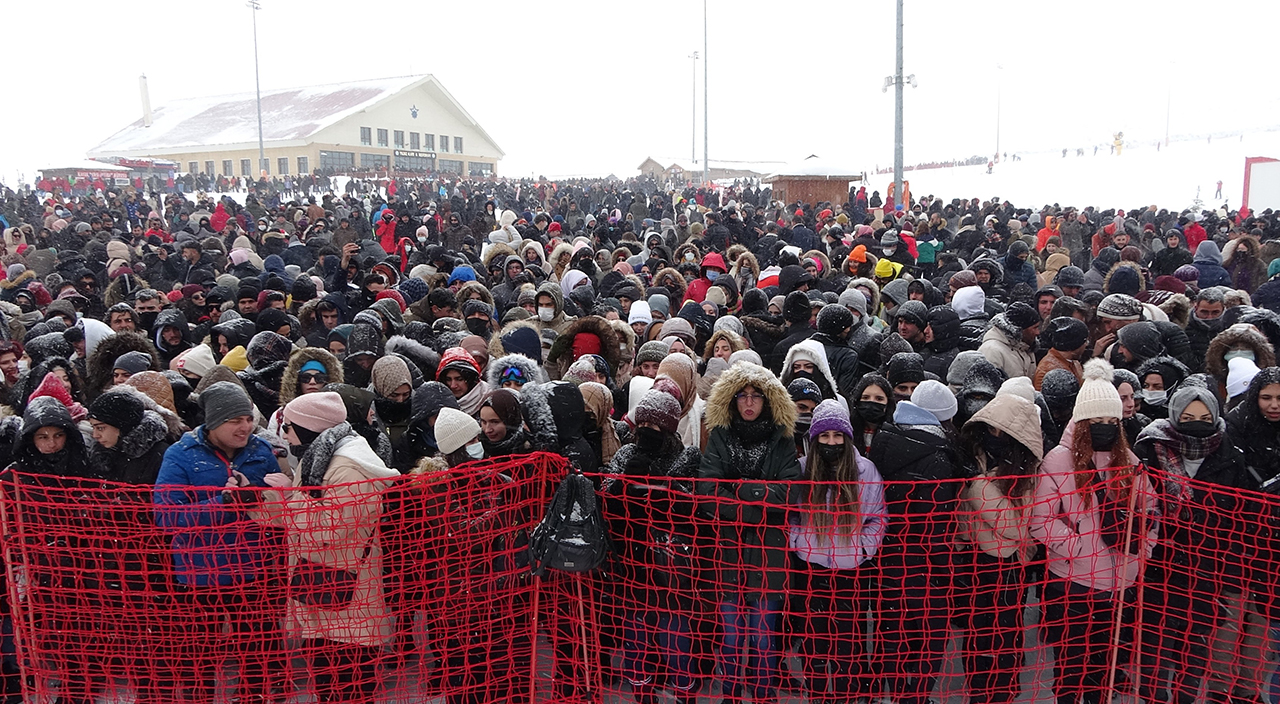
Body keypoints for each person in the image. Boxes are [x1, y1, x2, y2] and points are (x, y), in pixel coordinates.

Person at [153, 381, 288, 704]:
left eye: (248, 418)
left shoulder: (260, 451)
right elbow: (166, 518)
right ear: (214, 422)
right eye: (235, 420)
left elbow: (274, 508)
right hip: (199, 578)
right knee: (198, 663)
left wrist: (254, 495)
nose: (245, 427)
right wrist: (222, 503)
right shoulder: (181, 455)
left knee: (255, 660)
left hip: (254, 575)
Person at [1031, 359, 1158, 704]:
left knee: (1104, 668)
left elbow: (1149, 514)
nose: (1105, 427)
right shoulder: (1058, 460)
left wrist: (1140, 556)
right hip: (1071, 582)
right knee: (1071, 668)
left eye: (1112, 421)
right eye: (1098, 420)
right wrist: (1077, 547)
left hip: (1119, 581)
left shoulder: (1129, 462)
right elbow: (1041, 519)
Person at [262, 391, 400, 703]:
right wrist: (251, 502)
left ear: (310, 428)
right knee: (328, 691)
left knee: (349, 692)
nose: (284, 434)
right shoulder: (318, 459)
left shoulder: (348, 468)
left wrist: (289, 496)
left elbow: (332, 529)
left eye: (289, 426)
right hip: (324, 598)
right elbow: (298, 516)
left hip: (349, 607)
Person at [1134, 385, 1251, 704]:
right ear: (1174, 417)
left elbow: (1238, 519)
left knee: (1196, 645)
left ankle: (1184, 696)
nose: (1196, 423)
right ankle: (1153, 695)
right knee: (1154, 643)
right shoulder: (1150, 450)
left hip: (1206, 568)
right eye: (1187, 417)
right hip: (1157, 564)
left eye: (1203, 417)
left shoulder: (1229, 456)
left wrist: (1230, 567)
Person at [697, 362, 803, 703]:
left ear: (768, 401)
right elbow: (709, 492)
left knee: (762, 635)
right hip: (728, 553)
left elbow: (789, 493)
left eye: (756, 396)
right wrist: (758, 505)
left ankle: (762, 693)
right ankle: (730, 693)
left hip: (769, 555)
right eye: (742, 395)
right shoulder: (720, 437)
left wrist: (744, 490)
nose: (749, 402)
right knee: (731, 635)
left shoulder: (783, 440)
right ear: (731, 400)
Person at [603, 389, 703, 704]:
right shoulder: (624, 454)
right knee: (636, 633)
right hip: (631, 557)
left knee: (674, 633)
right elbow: (605, 499)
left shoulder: (683, 457)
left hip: (671, 561)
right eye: (642, 421)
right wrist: (626, 481)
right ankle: (642, 691)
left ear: (670, 427)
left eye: (655, 424)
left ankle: (683, 688)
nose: (647, 429)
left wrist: (663, 489)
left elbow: (693, 511)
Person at [953, 377, 1043, 704]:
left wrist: (978, 488)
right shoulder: (974, 457)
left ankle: (1003, 689)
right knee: (977, 630)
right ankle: (979, 689)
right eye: (991, 429)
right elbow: (964, 518)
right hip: (975, 559)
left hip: (1009, 564)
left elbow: (1017, 527)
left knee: (1006, 631)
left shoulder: (1028, 469)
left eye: (1003, 431)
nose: (996, 436)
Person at [790, 400, 886, 702]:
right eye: (825, 436)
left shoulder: (864, 471)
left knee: (848, 644)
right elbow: (789, 514)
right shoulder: (803, 470)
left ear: (847, 437)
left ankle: (846, 695)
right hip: (811, 570)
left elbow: (877, 518)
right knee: (813, 643)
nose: (831, 442)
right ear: (815, 438)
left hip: (850, 573)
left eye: (837, 436)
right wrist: (799, 541)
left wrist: (861, 549)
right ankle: (818, 695)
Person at [868, 396, 960, 704]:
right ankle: (916, 696)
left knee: (891, 628)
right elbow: (936, 522)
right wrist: (946, 568)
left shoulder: (884, 441)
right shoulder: (938, 458)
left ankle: (892, 692)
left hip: (887, 552)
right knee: (930, 636)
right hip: (925, 561)